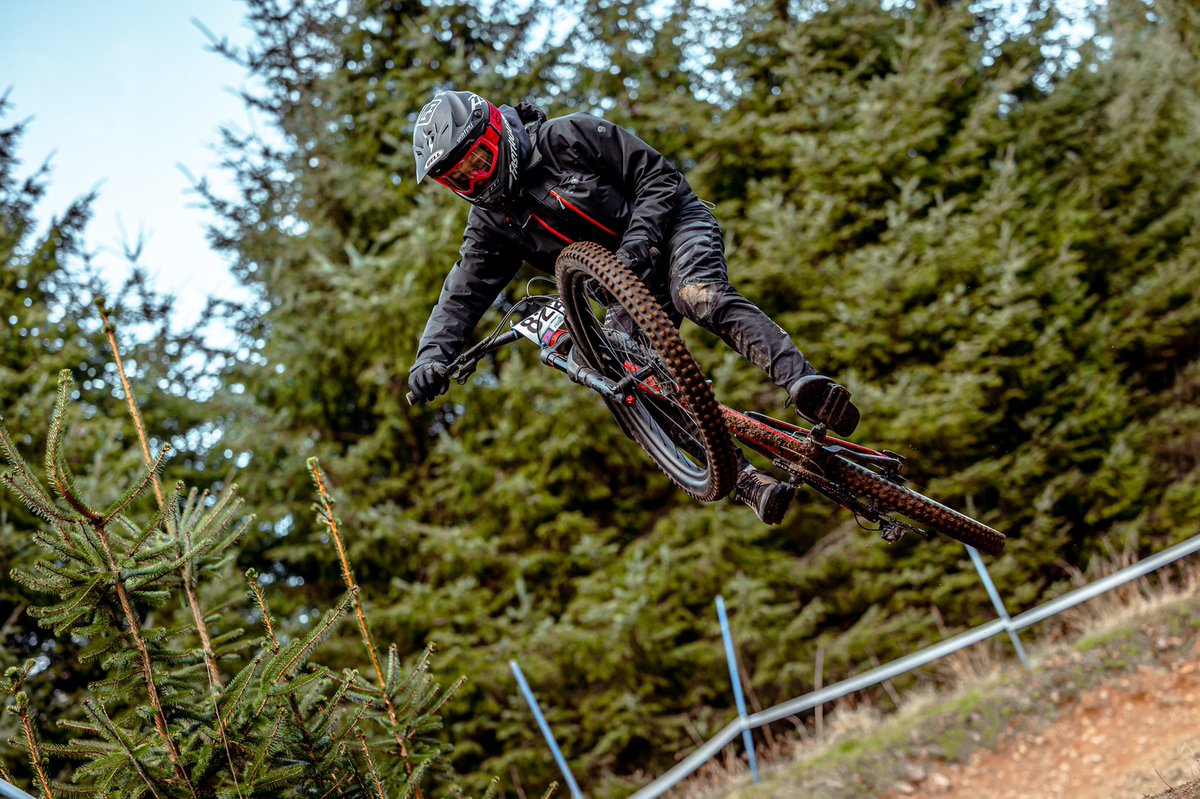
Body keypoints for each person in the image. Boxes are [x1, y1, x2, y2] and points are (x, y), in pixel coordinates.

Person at [407, 90, 860, 525]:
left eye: (479, 162)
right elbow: (462, 292)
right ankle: (745, 481)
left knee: (697, 294)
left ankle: (806, 385)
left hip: (674, 227)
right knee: (622, 377)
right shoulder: (491, 223)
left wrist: (639, 243)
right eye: (459, 179)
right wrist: (431, 357)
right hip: (625, 286)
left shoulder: (568, 136)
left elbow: (659, 177)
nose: (476, 181)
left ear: (496, 133)